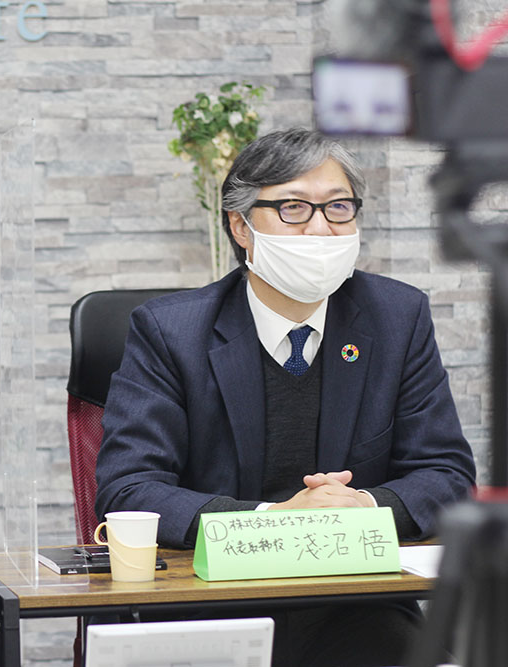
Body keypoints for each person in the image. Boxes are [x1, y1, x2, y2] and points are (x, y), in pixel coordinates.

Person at [94, 128, 476, 667]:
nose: (320, 228)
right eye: (294, 208)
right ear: (241, 226)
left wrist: (362, 507)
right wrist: (276, 519)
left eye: (338, 207)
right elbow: (129, 490)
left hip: (355, 604)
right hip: (210, 602)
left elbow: (447, 475)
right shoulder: (170, 331)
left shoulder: (397, 317)